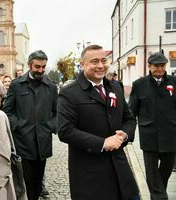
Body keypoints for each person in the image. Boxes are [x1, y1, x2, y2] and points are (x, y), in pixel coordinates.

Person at [57, 45, 139, 200]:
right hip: (90, 175)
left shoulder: (115, 87)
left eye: (103, 60)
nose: (101, 65)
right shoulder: (69, 93)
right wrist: (102, 143)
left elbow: (129, 119)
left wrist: (124, 135)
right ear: (82, 64)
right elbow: (65, 131)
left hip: (120, 171)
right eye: (94, 61)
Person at [3, 50, 58, 200]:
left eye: (43, 67)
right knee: (25, 182)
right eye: (37, 66)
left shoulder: (51, 87)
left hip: (43, 142)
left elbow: (58, 113)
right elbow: (7, 111)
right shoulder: (16, 85)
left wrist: (51, 126)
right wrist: (18, 125)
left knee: (38, 182)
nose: (40, 70)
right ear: (29, 65)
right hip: (22, 142)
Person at [129, 52, 176, 200]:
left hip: (171, 135)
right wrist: (128, 134)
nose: (160, 69)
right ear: (149, 66)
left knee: (167, 169)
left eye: (162, 65)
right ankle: (159, 196)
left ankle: (158, 192)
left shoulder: (174, 82)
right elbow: (131, 112)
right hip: (149, 135)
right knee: (151, 172)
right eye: (156, 66)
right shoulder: (139, 85)